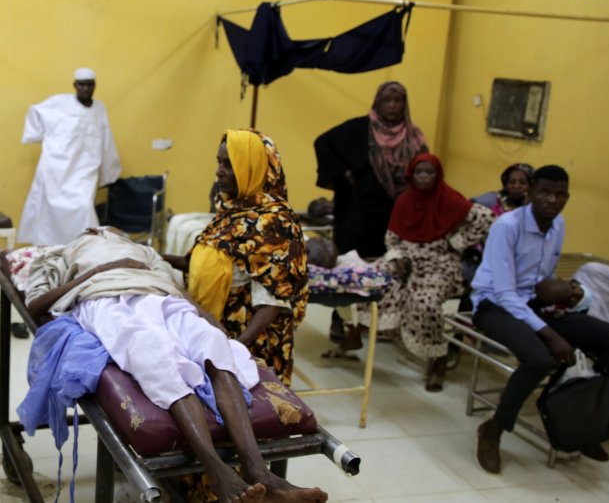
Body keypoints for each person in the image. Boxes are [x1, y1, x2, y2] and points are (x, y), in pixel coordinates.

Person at [25, 228, 328, 503]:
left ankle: (258, 470)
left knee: (214, 346)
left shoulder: (143, 250)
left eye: (109, 227)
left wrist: (206, 317)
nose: (101, 228)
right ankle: (216, 469)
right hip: (104, 301)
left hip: (162, 298)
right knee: (153, 355)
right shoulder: (58, 254)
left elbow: (175, 286)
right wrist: (100, 271)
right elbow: (36, 304)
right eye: (92, 228)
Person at [470, 165, 609, 474]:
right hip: (493, 304)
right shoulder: (507, 226)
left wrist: (565, 298)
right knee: (538, 358)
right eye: (545, 192)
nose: (552, 199)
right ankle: (493, 430)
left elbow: (543, 278)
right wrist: (549, 333)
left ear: (568, 197)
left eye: (560, 194)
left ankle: (576, 418)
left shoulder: (558, 224)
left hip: (534, 303)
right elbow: (505, 292)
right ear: (531, 192)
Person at [341, 154, 494, 391]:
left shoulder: (450, 199)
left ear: (438, 175)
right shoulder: (405, 200)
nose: (423, 177)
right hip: (405, 257)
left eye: (429, 172)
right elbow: (392, 239)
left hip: (439, 261)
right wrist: (397, 257)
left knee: (425, 301)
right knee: (375, 278)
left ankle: (439, 359)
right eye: (419, 172)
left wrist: (457, 242)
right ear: (411, 175)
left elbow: (486, 218)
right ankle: (358, 330)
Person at [171, 129, 309, 386]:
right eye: (219, 162)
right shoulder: (231, 210)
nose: (219, 171)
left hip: (249, 341)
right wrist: (155, 258)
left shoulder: (274, 222)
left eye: (229, 164)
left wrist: (233, 348)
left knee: (247, 412)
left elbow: (272, 303)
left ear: (253, 168)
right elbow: (203, 261)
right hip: (215, 330)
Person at [314, 81, 428, 259]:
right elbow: (323, 143)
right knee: (354, 264)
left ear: (404, 104)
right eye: (387, 101)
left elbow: (423, 166)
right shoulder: (360, 128)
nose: (392, 105)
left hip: (396, 213)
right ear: (378, 103)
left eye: (397, 101)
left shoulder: (414, 136)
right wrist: (344, 172)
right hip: (358, 212)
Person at [18, 67, 122, 245]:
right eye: (82, 85)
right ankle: (48, 250)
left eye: (89, 85)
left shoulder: (99, 108)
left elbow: (106, 140)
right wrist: (40, 135)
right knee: (48, 212)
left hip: (84, 170)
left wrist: (108, 172)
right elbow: (35, 112)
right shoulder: (59, 103)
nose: (86, 89)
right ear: (75, 85)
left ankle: (82, 248)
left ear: (95, 86)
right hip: (55, 169)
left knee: (83, 207)